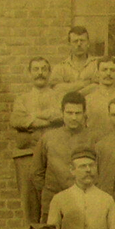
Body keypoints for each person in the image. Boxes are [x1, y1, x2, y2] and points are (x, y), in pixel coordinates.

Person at [10, 57, 65, 223]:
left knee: (54, 202)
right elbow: (16, 120)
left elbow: (61, 115)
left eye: (44, 69)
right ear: (29, 73)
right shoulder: (22, 99)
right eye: (36, 69)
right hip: (28, 155)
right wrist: (47, 121)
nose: (40, 73)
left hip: (52, 156)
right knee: (29, 205)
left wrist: (33, 117)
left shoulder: (58, 97)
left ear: (49, 73)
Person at [33, 91, 94, 222]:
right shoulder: (48, 138)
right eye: (69, 113)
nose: (73, 117)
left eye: (78, 113)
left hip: (84, 202)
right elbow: (37, 172)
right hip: (52, 200)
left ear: (84, 114)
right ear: (62, 113)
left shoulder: (93, 139)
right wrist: (48, 191)